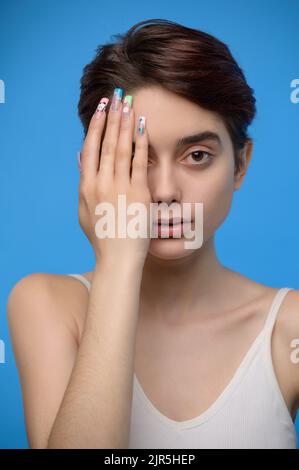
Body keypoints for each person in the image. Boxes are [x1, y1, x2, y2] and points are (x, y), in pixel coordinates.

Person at [6, 18, 299, 449]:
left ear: (240, 164)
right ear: (94, 169)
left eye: (197, 155)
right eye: (136, 157)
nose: (164, 191)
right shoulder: (47, 304)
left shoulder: (289, 326)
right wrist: (119, 259)